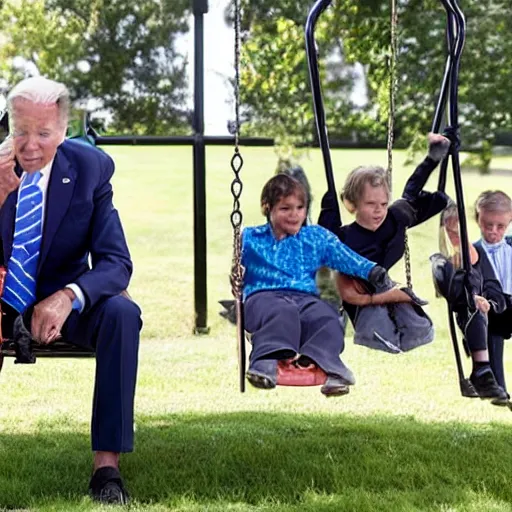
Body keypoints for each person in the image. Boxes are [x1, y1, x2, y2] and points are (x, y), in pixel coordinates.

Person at [0, 76, 141, 504]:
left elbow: (116, 262)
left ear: (63, 132)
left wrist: (68, 297)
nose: (29, 145)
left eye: (43, 133)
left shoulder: (89, 169)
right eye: (20, 130)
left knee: (121, 314)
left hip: (61, 299)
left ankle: (107, 469)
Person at [242, 173, 393, 397]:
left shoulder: (315, 237)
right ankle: (265, 362)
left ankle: (329, 367)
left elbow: (345, 257)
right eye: (285, 209)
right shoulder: (250, 237)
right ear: (267, 208)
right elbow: (238, 266)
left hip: (305, 298)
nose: (295, 215)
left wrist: (372, 271)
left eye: (300, 208)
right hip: (262, 297)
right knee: (283, 313)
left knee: (326, 316)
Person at [318, 133, 451, 353]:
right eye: (370, 203)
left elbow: (411, 193)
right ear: (352, 205)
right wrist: (328, 205)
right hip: (357, 293)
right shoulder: (343, 238)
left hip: (385, 284)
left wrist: (432, 159)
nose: (379, 210)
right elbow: (324, 240)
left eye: (383, 203)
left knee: (419, 329)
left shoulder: (396, 217)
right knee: (380, 330)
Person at [434, 203, 508, 401]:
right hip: (470, 315)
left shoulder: (478, 254)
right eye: (451, 231)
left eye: (459, 230)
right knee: (478, 311)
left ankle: (494, 383)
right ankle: (482, 372)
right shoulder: (443, 262)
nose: (456, 236)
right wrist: (474, 297)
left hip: (494, 308)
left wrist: (491, 303)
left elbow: (494, 287)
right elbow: (451, 289)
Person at [473, 191, 512, 395]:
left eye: (501, 226)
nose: (494, 231)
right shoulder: (473, 252)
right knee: (493, 337)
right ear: (478, 219)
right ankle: (499, 389)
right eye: (488, 225)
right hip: (493, 308)